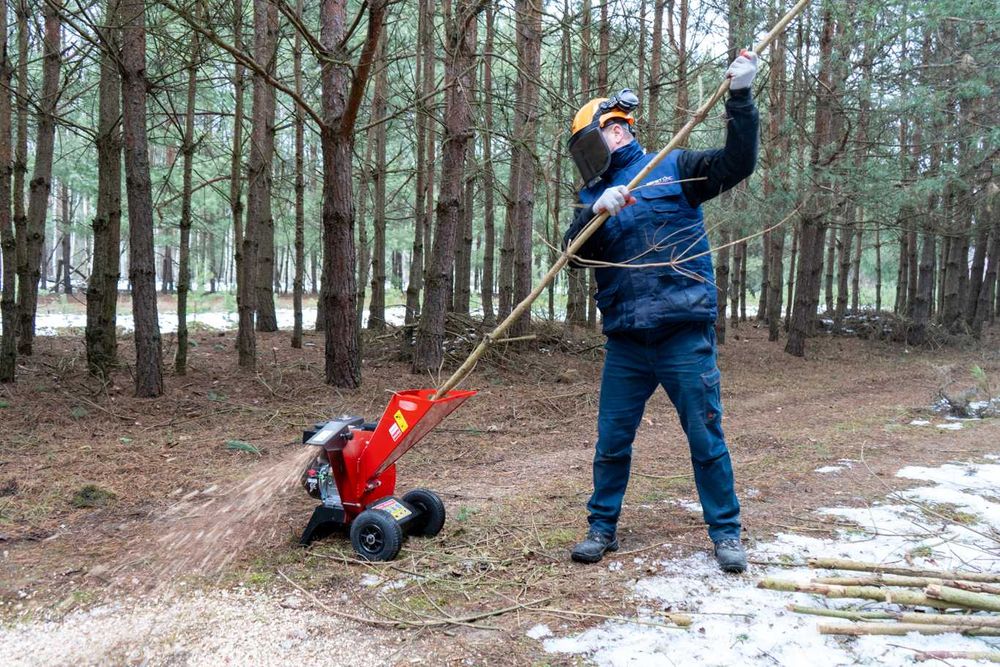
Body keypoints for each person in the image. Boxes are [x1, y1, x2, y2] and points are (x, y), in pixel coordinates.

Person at [563, 51, 759, 573]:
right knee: (611, 442)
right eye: (607, 130)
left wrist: (740, 98)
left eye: (619, 127)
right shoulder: (592, 197)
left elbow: (737, 163)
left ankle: (727, 532)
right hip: (626, 342)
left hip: (682, 336)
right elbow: (574, 258)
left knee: (705, 436)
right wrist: (595, 214)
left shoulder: (675, 166)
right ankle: (601, 527)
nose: (617, 135)